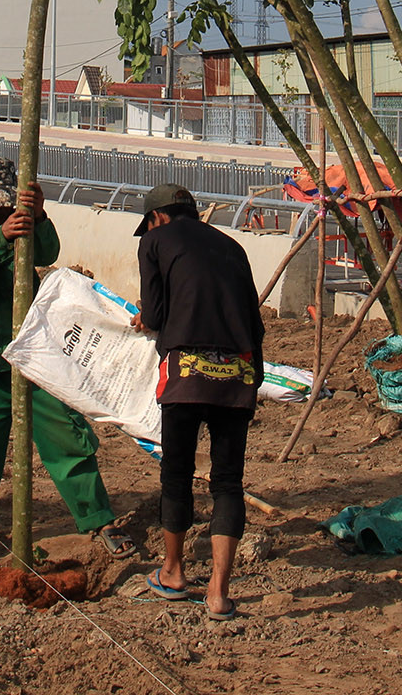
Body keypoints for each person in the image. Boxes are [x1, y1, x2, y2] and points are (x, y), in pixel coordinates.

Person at [0, 156, 132, 562]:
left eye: (5, 205)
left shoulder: (25, 225)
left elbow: (48, 252)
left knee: (67, 438)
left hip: (35, 355)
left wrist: (39, 216)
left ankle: (98, 518)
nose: (0, 212)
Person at [132, 182, 263, 621]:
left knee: (178, 473)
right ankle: (219, 594)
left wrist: (143, 320)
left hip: (187, 371)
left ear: (159, 217)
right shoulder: (233, 247)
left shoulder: (155, 241)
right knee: (228, 481)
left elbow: (153, 316)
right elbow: (254, 321)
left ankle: (172, 572)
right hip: (238, 373)